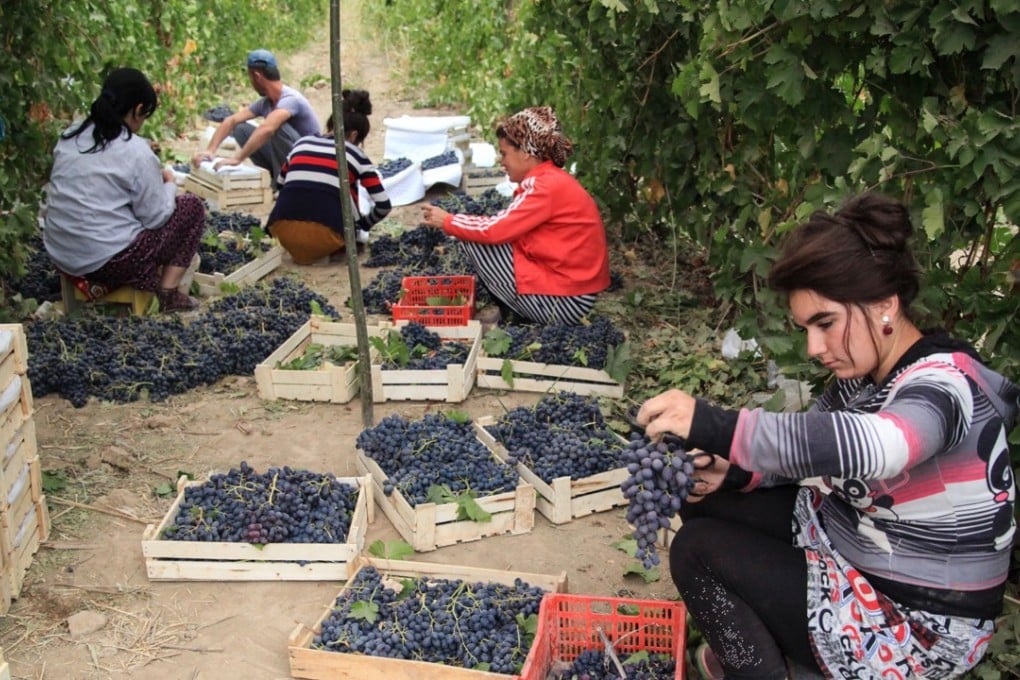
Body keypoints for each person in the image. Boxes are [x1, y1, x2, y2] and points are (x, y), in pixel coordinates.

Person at [637, 192, 1018, 680]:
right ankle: (784, 652)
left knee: (696, 552)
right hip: (857, 550)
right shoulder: (862, 379)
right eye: (806, 329)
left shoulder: (945, 388)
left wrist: (716, 423)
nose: (815, 347)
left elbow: (880, 444)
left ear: (884, 305)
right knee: (700, 499)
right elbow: (808, 454)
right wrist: (733, 473)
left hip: (915, 624)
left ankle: (770, 670)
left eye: (826, 323)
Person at [420, 106, 610, 325]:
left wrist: (448, 221)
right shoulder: (550, 180)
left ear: (526, 152)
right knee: (475, 231)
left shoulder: (544, 187)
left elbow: (494, 231)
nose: (502, 162)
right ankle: (517, 310)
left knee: (472, 238)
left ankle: (516, 315)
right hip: (574, 291)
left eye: (504, 153)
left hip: (567, 303)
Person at [43, 67, 204, 312]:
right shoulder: (136, 151)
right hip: (109, 263)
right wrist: (169, 184)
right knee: (191, 208)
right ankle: (168, 294)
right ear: (138, 110)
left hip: (61, 255)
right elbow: (156, 217)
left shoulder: (69, 136)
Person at [266, 89, 392, 264]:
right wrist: (362, 226)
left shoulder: (301, 143)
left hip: (282, 232)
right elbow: (384, 206)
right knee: (346, 190)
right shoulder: (356, 155)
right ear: (354, 135)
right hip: (328, 237)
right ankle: (328, 248)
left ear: (330, 125)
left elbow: (280, 186)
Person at [191, 49, 320, 187]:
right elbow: (231, 120)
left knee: (274, 127)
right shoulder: (266, 102)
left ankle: (284, 183)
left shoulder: (290, 99)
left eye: (250, 78)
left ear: (257, 76)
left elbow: (267, 128)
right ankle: (276, 176)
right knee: (241, 129)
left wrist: (237, 159)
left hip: (310, 163)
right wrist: (210, 150)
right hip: (291, 158)